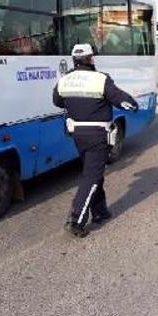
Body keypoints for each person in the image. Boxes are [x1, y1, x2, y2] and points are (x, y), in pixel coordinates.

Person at [53, 43, 139, 237]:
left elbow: (57, 101)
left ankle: (100, 211)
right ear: (91, 59)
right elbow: (119, 98)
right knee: (91, 176)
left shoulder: (65, 80)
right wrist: (133, 105)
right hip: (97, 135)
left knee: (93, 171)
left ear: (74, 60)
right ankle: (76, 219)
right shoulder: (101, 79)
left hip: (77, 135)